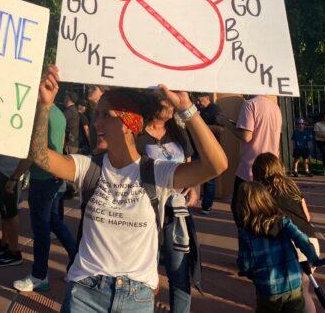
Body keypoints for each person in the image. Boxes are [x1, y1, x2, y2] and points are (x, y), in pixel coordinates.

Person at [29, 65, 227, 313]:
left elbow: (217, 164)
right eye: (96, 113)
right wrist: (44, 105)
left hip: (137, 298)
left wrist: (187, 107)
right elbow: (39, 155)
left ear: (128, 123)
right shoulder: (88, 167)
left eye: (105, 115)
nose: (96, 121)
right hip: (85, 294)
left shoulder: (157, 172)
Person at [136, 93, 198, 313]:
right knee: (145, 271)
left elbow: (190, 164)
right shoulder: (138, 137)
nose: (172, 109)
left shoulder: (178, 132)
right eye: (167, 105)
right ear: (153, 106)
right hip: (148, 212)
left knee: (178, 271)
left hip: (177, 212)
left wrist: (194, 186)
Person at [9, 103, 77, 292]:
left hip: (43, 178)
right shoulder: (59, 114)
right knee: (53, 221)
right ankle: (77, 258)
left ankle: (39, 275)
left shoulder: (42, 114)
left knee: (41, 228)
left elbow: (33, 152)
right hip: (55, 176)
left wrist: (15, 177)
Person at [236, 181, 325, 313]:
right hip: (294, 282)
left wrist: (246, 270)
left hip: (268, 287)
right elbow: (302, 240)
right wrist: (313, 257)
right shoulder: (283, 221)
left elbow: (245, 260)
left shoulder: (246, 231)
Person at [252, 153, 320, 313]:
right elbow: (307, 216)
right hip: (309, 240)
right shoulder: (291, 185)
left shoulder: (262, 193)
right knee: (304, 290)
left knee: (279, 292)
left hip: (288, 245)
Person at [217, 95, 282, 225]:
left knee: (241, 210)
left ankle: (249, 239)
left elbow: (246, 136)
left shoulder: (250, 104)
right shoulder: (275, 108)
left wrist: (226, 123)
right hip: (271, 165)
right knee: (265, 209)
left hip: (250, 168)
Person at [0, 153, 23, 267]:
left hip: (8, 171)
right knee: (5, 211)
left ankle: (14, 252)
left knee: (10, 212)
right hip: (4, 168)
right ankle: (4, 243)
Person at [194, 93, 224, 214]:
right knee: (193, 176)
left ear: (207, 97)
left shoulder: (215, 110)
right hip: (196, 148)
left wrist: (201, 126)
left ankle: (207, 206)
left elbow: (220, 129)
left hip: (210, 149)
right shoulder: (196, 109)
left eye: (200, 100)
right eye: (197, 100)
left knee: (209, 179)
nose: (198, 103)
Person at [87, 85, 107, 152]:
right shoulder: (94, 110)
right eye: (89, 88)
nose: (89, 90)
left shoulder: (106, 112)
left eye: (93, 89)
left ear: (102, 92)